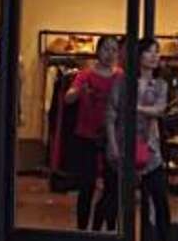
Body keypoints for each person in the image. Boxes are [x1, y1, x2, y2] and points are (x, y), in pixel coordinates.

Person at [106, 37, 171, 241]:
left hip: (150, 148)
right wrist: (112, 145)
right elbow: (111, 115)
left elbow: (159, 109)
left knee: (159, 199)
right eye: (149, 51)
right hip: (125, 146)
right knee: (119, 200)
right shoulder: (122, 82)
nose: (154, 56)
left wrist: (135, 108)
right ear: (139, 55)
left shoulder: (160, 84)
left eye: (157, 52)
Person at [64, 35, 121, 231]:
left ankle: (107, 228)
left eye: (114, 50)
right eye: (106, 49)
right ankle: (82, 229)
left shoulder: (120, 76)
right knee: (86, 185)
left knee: (112, 186)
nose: (110, 54)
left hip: (112, 137)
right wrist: (77, 91)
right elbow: (69, 98)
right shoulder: (85, 75)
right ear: (98, 51)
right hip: (87, 135)